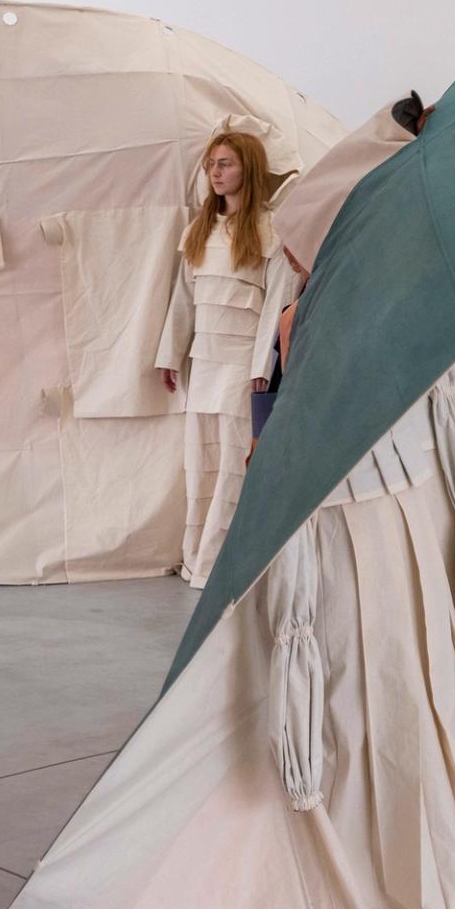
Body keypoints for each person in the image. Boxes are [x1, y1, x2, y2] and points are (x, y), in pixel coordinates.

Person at [0, 97, 455, 909]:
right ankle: (352, 839)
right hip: (342, 501)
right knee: (347, 681)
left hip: (374, 504)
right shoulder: (333, 269)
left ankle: (375, 843)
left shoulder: (387, 279)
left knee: (379, 681)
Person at [155, 129, 296, 587]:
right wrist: (170, 355)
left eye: (225, 164)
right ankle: (195, 558)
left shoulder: (270, 230)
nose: (215, 173)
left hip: (241, 365)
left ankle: (218, 567)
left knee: (235, 465)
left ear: (247, 169)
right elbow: (184, 298)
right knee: (202, 464)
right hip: (204, 361)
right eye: (211, 165)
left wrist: (262, 367)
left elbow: (277, 303)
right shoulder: (200, 230)